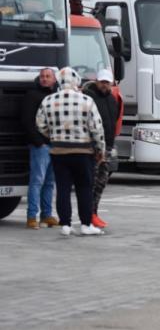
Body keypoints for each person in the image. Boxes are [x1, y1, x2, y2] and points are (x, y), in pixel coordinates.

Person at [35, 67, 105, 236]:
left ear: (59, 80)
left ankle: (65, 224)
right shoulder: (87, 101)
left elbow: (40, 124)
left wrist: (53, 136)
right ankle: (86, 224)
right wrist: (100, 149)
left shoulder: (48, 101)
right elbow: (96, 128)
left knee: (63, 188)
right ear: (76, 81)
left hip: (59, 152)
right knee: (84, 188)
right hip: (83, 151)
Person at [81, 69, 122, 229]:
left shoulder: (112, 99)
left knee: (101, 182)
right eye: (102, 82)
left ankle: (94, 213)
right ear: (97, 81)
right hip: (93, 147)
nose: (104, 85)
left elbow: (114, 120)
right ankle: (88, 214)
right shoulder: (89, 97)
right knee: (91, 182)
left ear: (111, 83)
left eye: (107, 82)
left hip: (108, 147)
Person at [21, 67, 58, 229]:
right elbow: (26, 121)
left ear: (54, 79)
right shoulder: (32, 95)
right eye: (42, 76)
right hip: (40, 147)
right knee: (37, 181)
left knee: (50, 182)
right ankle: (31, 217)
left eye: (47, 76)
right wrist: (39, 142)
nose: (44, 78)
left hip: (55, 145)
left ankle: (47, 215)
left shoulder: (57, 96)